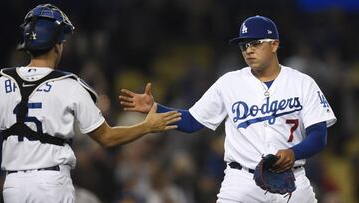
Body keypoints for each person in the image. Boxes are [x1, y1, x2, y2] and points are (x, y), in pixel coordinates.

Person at [119, 15, 337, 203]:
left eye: (256, 43)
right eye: (244, 45)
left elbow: (319, 135)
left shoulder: (302, 83)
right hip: (241, 181)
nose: (249, 50)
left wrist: (293, 152)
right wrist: (155, 108)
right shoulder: (229, 83)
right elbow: (192, 121)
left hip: (292, 178)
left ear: (274, 44)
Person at [0, 4, 181, 203]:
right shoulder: (69, 84)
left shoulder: (2, 81)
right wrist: (146, 126)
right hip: (50, 183)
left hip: (13, 185)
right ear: (57, 44)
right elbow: (107, 138)